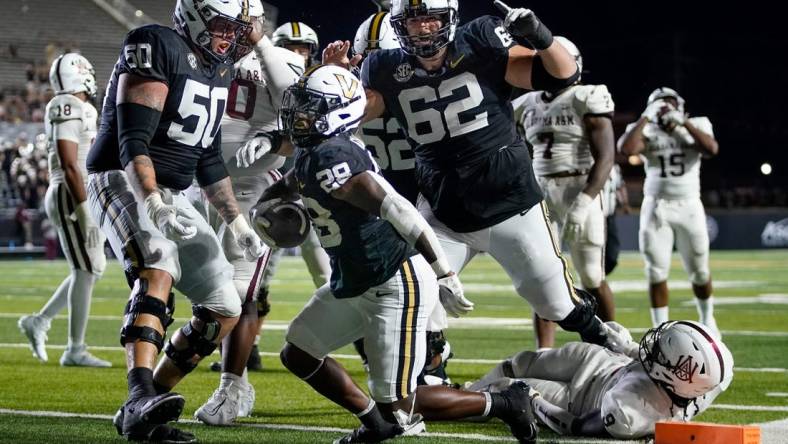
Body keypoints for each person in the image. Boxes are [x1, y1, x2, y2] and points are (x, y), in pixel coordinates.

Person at [324, 0, 634, 352]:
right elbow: (344, 116)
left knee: (557, 304)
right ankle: (432, 384)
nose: (424, 28)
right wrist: (333, 79)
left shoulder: (481, 39)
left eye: (431, 19)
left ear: (450, 19)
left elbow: (562, 74)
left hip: (510, 204)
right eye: (414, 21)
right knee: (416, 295)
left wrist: (540, 35)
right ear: (399, 26)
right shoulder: (384, 67)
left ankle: (610, 341)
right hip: (444, 212)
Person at [261, 62, 538, 444]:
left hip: (394, 282)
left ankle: (506, 402)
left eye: (311, 107)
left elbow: (398, 209)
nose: (300, 115)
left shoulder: (334, 154)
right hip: (356, 280)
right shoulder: (316, 153)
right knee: (299, 352)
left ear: (337, 112)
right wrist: (258, 212)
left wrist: (444, 272)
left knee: (403, 406)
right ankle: (376, 424)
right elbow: (289, 185)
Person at [85, 0, 263, 441]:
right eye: (224, 25)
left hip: (175, 191)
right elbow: (132, 138)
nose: (231, 37)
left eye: (238, 30)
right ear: (197, 17)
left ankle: (148, 407)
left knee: (225, 305)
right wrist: (152, 203)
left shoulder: (218, 70)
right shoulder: (156, 43)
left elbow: (207, 158)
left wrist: (238, 225)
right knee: (158, 258)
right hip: (123, 177)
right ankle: (139, 393)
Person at [188, 4, 329, 425]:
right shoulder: (200, 53)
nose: (228, 29)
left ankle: (233, 384)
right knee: (202, 287)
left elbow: (303, 125)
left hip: (251, 189)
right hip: (197, 183)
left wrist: (271, 141)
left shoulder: (278, 59)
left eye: (235, 21)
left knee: (242, 292)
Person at [353, 10, 453, 386]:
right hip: (375, 198)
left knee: (425, 283)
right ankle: (393, 363)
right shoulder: (351, 94)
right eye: (366, 58)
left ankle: (433, 367)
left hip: (419, 195)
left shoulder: (419, 88)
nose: (370, 68)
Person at [511, 36, 616, 349]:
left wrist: (584, 202)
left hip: (579, 186)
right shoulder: (524, 103)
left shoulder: (586, 96)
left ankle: (612, 345)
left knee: (592, 277)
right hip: (540, 191)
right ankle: (545, 353)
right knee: (541, 279)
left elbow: (607, 157)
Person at [468, 320, 733, 439]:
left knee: (505, 389)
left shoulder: (629, 414)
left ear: (677, 377)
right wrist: (626, 346)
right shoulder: (716, 377)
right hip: (601, 362)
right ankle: (467, 389)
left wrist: (534, 402)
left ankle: (452, 402)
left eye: (661, 353)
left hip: (575, 400)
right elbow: (650, 364)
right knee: (521, 362)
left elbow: (577, 427)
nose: (653, 347)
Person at [18, 53, 110, 368]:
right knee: (86, 269)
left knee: (90, 269)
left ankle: (40, 321)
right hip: (70, 193)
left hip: (79, 192)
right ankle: (74, 348)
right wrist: (85, 210)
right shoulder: (64, 104)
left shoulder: (83, 107)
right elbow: (69, 162)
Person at [617, 88, 721, 337]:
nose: (665, 109)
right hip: (656, 206)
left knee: (700, 270)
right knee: (655, 270)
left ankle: (708, 319)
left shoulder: (697, 124)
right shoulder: (646, 128)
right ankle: (659, 328)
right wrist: (646, 117)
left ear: (682, 107)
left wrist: (682, 123)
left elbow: (711, 149)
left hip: (689, 204)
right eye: (661, 106)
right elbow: (626, 148)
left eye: (670, 105)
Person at [602, 163, 630, 276]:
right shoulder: (588, 163)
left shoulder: (615, 168)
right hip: (594, 215)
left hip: (610, 215)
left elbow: (619, 187)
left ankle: (599, 278)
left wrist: (625, 203)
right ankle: (595, 279)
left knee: (612, 255)